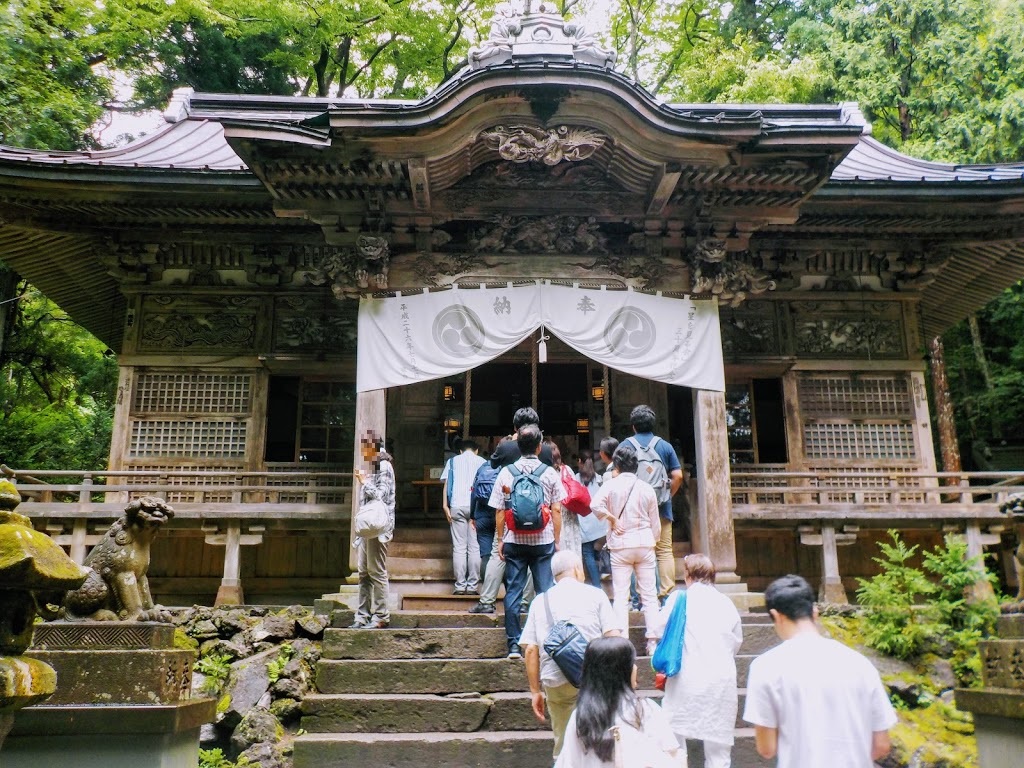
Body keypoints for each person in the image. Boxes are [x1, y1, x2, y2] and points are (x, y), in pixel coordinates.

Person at [743, 574, 897, 768]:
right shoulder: (859, 663)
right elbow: (882, 745)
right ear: (814, 612)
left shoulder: (765, 667)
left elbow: (767, 748)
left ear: (776, 615)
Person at [519, 551, 620, 760]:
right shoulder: (596, 595)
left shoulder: (540, 601)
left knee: (564, 744)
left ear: (555, 575)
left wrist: (535, 690)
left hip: (556, 680)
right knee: (599, 740)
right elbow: (613, 638)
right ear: (577, 569)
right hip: (593, 679)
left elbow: (530, 649)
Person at [488, 423, 565, 658]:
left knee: (513, 590)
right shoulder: (550, 473)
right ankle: (547, 639)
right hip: (543, 541)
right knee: (545, 591)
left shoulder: (506, 472)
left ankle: (513, 644)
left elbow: (499, 511)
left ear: (518, 446)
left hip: (515, 541)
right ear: (540, 446)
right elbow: (557, 509)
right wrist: (557, 539)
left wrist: (501, 539)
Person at [658, 554, 743, 768]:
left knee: (674, 742)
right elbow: (736, 642)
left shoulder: (679, 599)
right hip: (721, 681)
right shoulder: (726, 603)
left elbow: (660, 629)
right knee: (719, 751)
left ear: (688, 575)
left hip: (685, 678)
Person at [469, 407, 551, 615]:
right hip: (538, 511)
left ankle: (487, 600)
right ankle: (525, 602)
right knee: (535, 551)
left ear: (515, 427)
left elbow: (493, 464)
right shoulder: (546, 449)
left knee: (499, 553)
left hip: (508, 509)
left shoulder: (506, 446)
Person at [555, 636, 683, 768]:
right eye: (632, 663)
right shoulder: (646, 710)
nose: (635, 668)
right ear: (622, 671)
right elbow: (671, 753)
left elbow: (568, 763)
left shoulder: (580, 716)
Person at [589, 443, 661, 653]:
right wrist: (652, 540)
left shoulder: (611, 485)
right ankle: (653, 642)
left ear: (617, 465)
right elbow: (655, 523)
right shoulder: (646, 488)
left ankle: (623, 640)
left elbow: (594, 505)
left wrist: (611, 519)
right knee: (649, 595)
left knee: (621, 595)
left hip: (621, 545)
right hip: (645, 542)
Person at [625, 404, 684, 602]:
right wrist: (668, 494)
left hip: (634, 509)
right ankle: (666, 593)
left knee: (636, 550)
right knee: (664, 550)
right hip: (661, 507)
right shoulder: (665, 446)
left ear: (633, 425)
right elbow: (678, 475)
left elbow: (617, 475)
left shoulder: (625, 445)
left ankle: (641, 595)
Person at [350, 439, 396, 629]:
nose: (364, 454)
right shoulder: (376, 466)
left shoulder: (384, 466)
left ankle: (381, 616)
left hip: (379, 528)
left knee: (376, 571)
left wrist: (364, 481)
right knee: (364, 573)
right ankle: (362, 616)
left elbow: (381, 496)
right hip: (369, 529)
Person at [441, 438, 486, 594]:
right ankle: (473, 586)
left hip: (457, 505)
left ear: (460, 451)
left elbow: (447, 484)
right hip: (477, 508)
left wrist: (445, 506)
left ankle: (460, 586)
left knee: (459, 547)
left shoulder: (452, 461)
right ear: (476, 450)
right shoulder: (482, 462)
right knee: (475, 547)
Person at [575, 451, 607, 587]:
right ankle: (600, 572)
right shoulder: (599, 478)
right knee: (595, 552)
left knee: (587, 553)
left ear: (579, 461)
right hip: (599, 524)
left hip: (585, 524)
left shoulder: (576, 478)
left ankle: (597, 586)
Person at [470, 455, 501, 585]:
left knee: (486, 555)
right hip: (501, 515)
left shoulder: (483, 467)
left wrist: (472, 516)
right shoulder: (507, 468)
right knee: (506, 555)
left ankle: (486, 590)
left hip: (482, 514)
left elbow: (473, 493)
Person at [549, 441, 583, 557]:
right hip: (571, 516)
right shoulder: (567, 469)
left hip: (555, 518)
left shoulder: (548, 472)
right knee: (572, 552)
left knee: (558, 554)